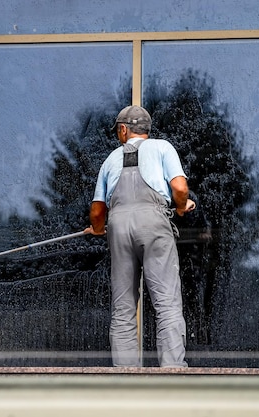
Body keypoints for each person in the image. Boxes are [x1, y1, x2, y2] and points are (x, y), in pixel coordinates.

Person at [85, 105, 195, 367]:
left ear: (123, 130)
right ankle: (173, 372)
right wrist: (181, 206)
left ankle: (125, 378)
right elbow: (179, 187)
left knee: (123, 308)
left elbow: (98, 210)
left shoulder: (111, 159)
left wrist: (98, 229)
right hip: (154, 223)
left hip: (119, 225)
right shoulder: (162, 148)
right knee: (166, 303)